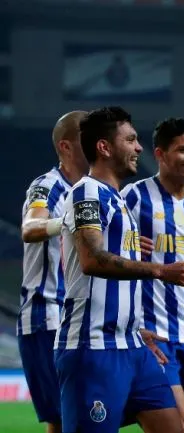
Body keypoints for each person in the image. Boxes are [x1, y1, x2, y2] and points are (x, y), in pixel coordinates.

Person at [55, 106, 184, 433]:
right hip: (93, 348)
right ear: (105, 147)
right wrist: (160, 270)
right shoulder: (87, 194)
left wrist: (136, 327)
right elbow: (92, 259)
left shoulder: (119, 200)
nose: (139, 148)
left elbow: (121, 282)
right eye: (131, 139)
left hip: (134, 346)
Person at [121, 117, 184, 431]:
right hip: (151, 330)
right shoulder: (133, 198)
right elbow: (102, 250)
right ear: (160, 154)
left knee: (182, 425)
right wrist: (127, 243)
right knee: (173, 423)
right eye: (183, 150)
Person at [18, 111, 89, 433]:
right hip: (46, 316)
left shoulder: (95, 192)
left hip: (82, 318)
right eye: (89, 139)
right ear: (66, 146)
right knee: (64, 420)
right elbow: (31, 227)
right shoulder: (47, 187)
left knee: (87, 413)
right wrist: (68, 223)